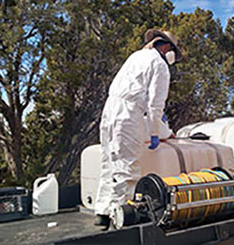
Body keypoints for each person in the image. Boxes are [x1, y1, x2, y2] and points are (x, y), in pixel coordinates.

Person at [94, 29, 182, 229]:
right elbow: (155, 106)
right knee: (128, 167)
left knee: (109, 163)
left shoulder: (136, 56)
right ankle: (120, 217)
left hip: (109, 111)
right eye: (174, 54)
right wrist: (155, 133)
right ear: (167, 47)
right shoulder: (160, 65)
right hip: (128, 114)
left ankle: (102, 212)